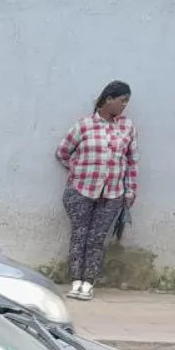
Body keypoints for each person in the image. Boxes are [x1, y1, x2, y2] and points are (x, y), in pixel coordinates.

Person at [55, 80, 138, 303]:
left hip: (112, 193)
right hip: (80, 190)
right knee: (79, 234)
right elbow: (63, 152)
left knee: (96, 238)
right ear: (108, 99)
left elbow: (132, 162)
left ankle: (88, 282)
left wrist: (130, 191)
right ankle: (75, 281)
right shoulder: (84, 125)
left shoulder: (127, 127)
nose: (124, 106)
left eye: (127, 102)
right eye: (122, 101)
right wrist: (77, 171)